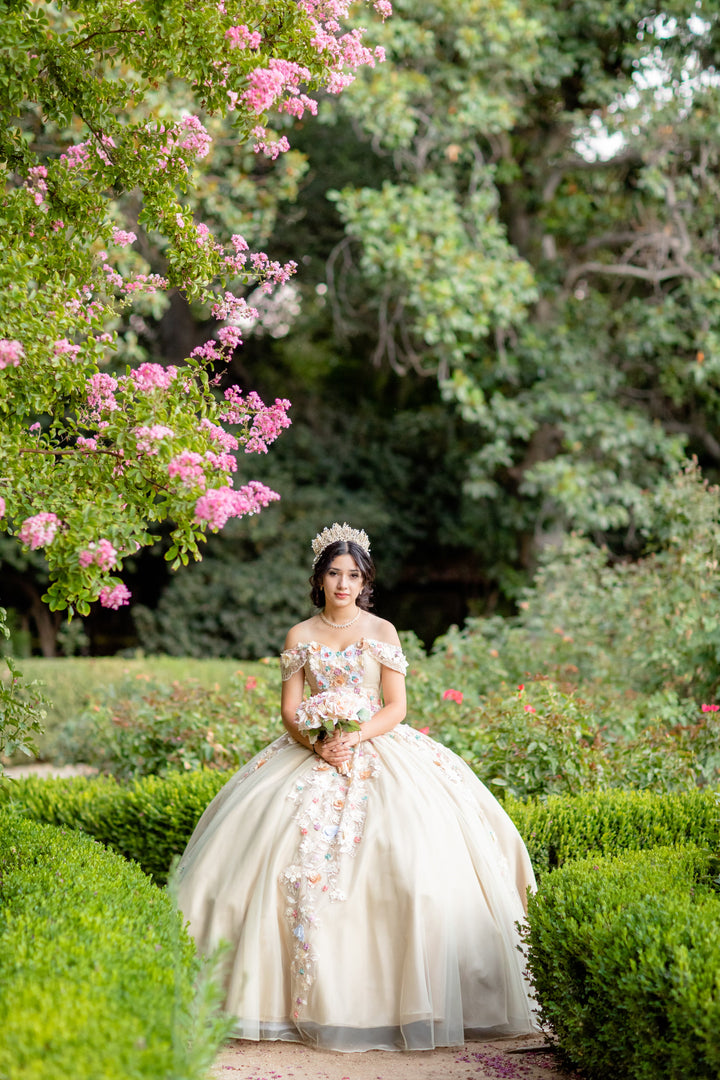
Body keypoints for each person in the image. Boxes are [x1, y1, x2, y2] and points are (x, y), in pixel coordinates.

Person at [176, 523, 538, 1052]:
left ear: (364, 580)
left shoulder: (383, 632)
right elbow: (289, 710)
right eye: (333, 573)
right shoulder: (300, 636)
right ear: (319, 578)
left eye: (353, 575)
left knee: (415, 870)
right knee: (257, 866)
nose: (343, 584)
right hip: (312, 751)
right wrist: (318, 742)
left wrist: (353, 735)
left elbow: (397, 706)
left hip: (379, 750)